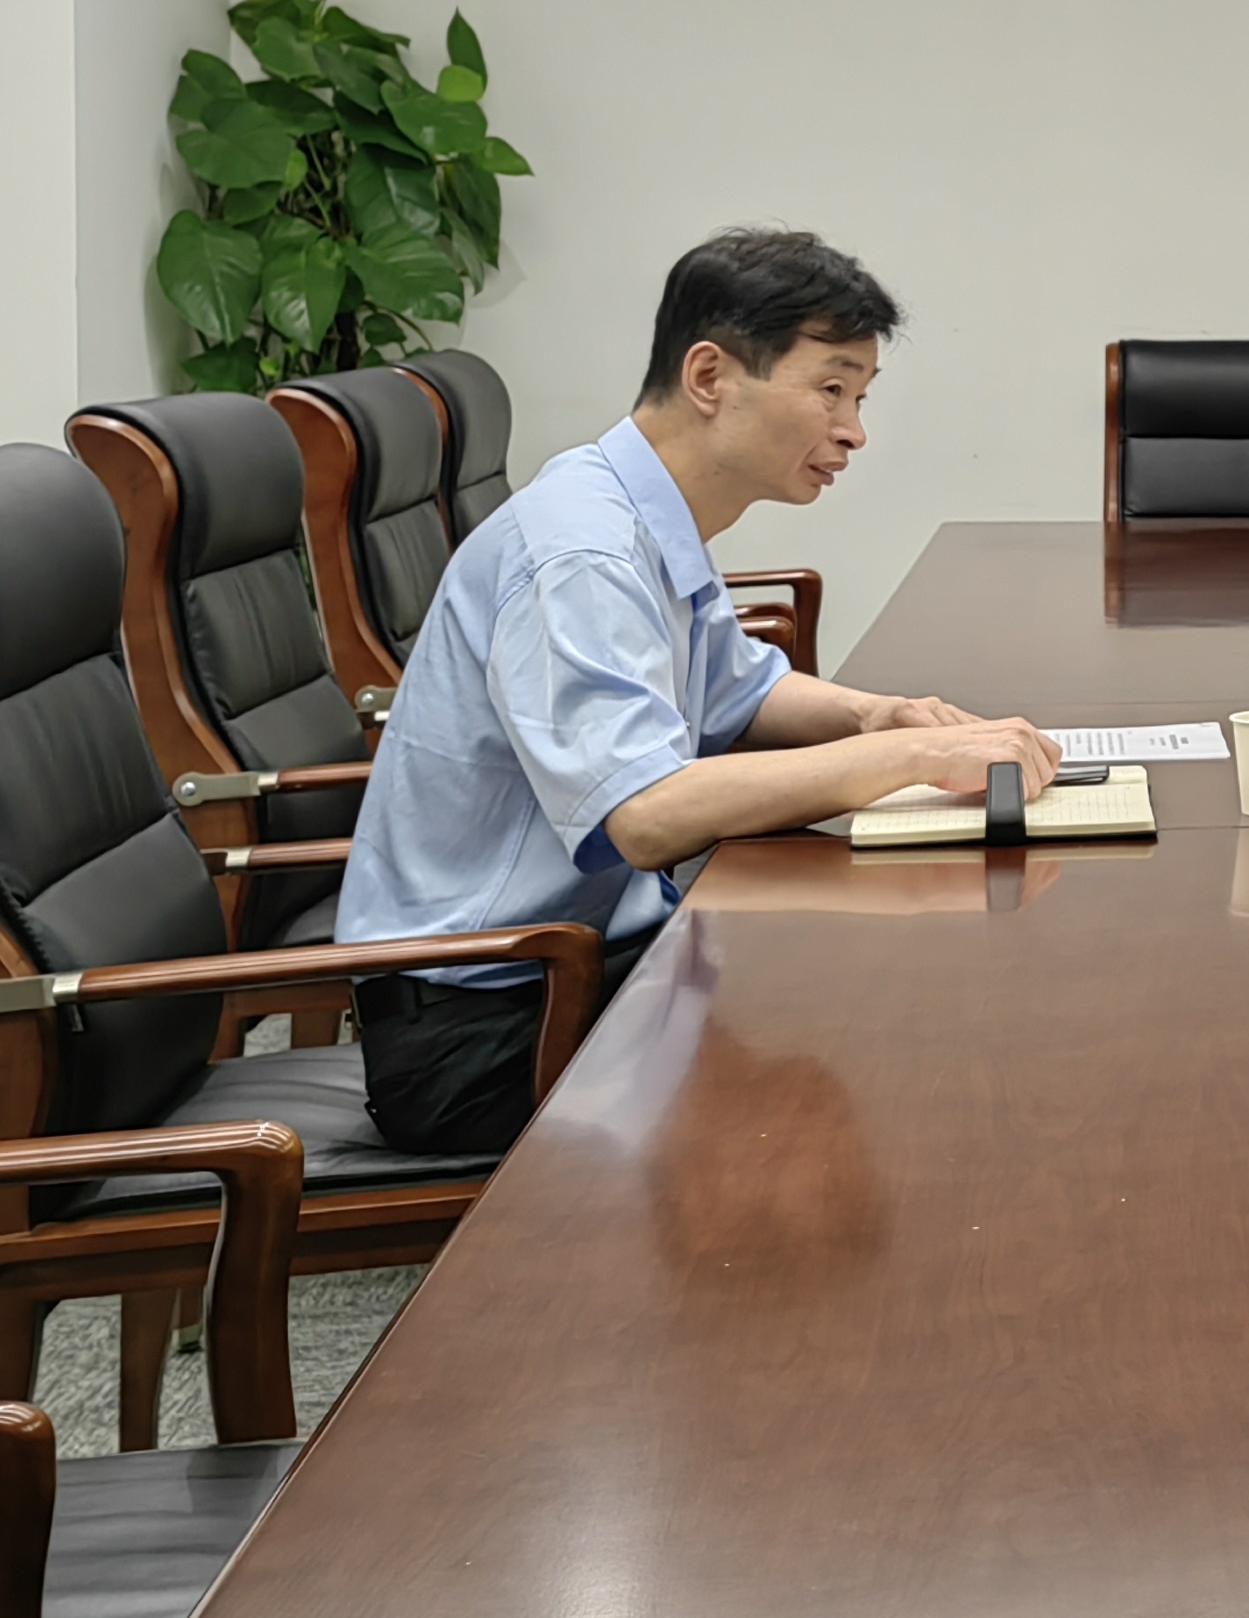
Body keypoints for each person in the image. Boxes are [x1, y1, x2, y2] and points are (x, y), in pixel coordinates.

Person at [340, 228, 1062, 1155]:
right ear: (710, 376)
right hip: (485, 1025)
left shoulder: (641, 514)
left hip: (590, 965)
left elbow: (739, 695)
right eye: (831, 389)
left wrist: (878, 713)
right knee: (893, 1059)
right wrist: (906, 756)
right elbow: (644, 815)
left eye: (861, 397)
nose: (854, 430)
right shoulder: (584, 551)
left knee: (891, 1012)